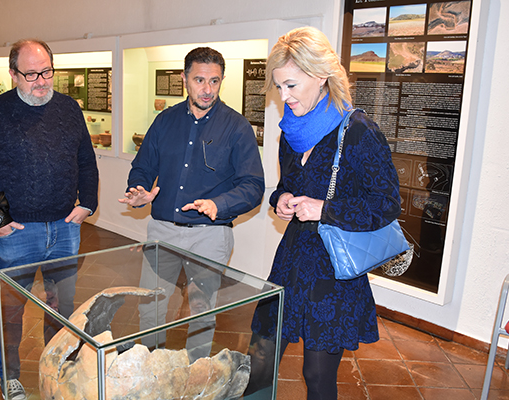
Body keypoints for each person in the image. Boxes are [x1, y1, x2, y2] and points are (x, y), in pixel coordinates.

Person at [249, 27, 401, 399]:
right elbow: (288, 184)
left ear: (320, 77)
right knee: (260, 358)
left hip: (333, 268)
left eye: (291, 85)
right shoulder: (291, 132)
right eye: (278, 87)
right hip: (292, 259)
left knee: (317, 376)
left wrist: (325, 209)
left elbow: (386, 204)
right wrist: (282, 198)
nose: (284, 96)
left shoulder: (360, 132)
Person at [0, 38, 98, 400]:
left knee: (61, 307)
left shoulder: (69, 109)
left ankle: (58, 371)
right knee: (10, 311)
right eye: (31, 74)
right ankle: (10, 378)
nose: (41, 81)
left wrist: (88, 203)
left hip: (65, 228)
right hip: (16, 232)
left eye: (47, 72)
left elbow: (86, 161)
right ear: (13, 74)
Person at [118, 47, 264, 362]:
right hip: (163, 231)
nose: (207, 89)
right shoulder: (165, 121)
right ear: (185, 79)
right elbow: (142, 167)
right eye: (199, 80)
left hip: (210, 235)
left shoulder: (237, 127)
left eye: (215, 81)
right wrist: (138, 189)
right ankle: (151, 366)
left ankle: (196, 374)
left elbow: (253, 185)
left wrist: (219, 204)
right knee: (151, 305)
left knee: (202, 309)